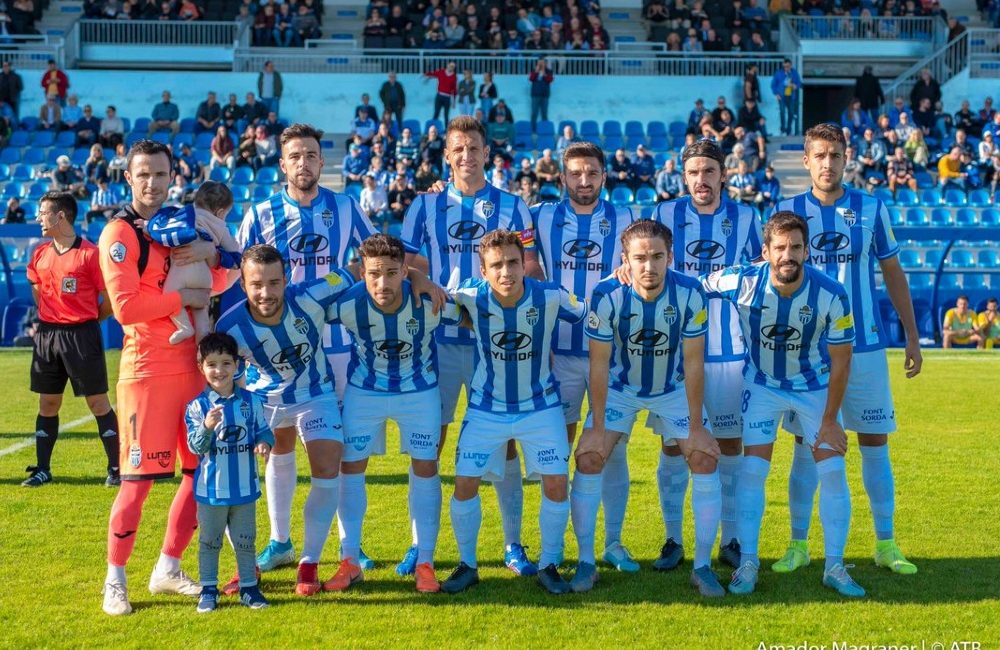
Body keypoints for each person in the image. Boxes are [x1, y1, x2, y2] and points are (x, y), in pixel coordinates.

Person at [236, 123, 396, 580]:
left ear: (321, 163)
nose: (303, 163)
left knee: (342, 450)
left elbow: (378, 255)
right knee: (279, 444)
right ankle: (281, 541)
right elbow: (239, 279)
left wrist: (416, 277)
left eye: (311, 155)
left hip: (343, 346)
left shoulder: (345, 207)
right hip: (276, 350)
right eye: (295, 156)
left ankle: (351, 547)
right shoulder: (261, 213)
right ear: (281, 163)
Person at [770, 123, 922, 578]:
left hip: (867, 346)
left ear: (847, 157)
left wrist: (912, 336)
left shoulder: (871, 207)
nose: (828, 164)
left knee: (875, 443)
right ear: (807, 160)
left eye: (835, 155)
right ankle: (798, 544)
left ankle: (886, 543)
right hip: (809, 350)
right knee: (805, 444)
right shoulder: (788, 211)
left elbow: (893, 272)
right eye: (820, 155)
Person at [401, 115, 543, 577]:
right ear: (447, 155)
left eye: (473, 148)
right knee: (431, 443)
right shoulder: (424, 206)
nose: (466, 156)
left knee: (504, 444)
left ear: (487, 153)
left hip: (493, 343)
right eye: (457, 148)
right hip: (436, 343)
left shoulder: (512, 205)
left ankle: (513, 544)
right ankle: (420, 545)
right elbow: (404, 265)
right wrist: (427, 281)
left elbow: (533, 268)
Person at [704, 210, 862, 598]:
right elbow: (691, 285)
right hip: (762, 385)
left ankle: (835, 566)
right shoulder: (742, 280)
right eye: (780, 248)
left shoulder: (831, 293)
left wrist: (829, 421)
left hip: (814, 387)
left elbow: (842, 360)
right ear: (765, 252)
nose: (787, 255)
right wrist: (626, 272)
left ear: (807, 251)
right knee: (753, 471)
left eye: (795, 247)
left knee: (834, 472)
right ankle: (748, 562)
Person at [100, 140, 228, 616]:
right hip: (146, 373)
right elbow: (126, 307)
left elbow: (214, 283)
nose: (152, 183)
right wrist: (186, 300)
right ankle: (115, 578)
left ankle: (167, 568)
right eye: (143, 175)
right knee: (137, 483)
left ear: (171, 177)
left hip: (192, 370)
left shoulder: (178, 225)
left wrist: (212, 261)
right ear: (128, 178)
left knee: (200, 475)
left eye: (160, 174)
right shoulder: (120, 232)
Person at [573, 219, 721, 595]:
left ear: (671, 257)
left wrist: (697, 428)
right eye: (639, 258)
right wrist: (597, 425)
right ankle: (587, 562)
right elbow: (599, 363)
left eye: (657, 256)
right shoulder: (606, 294)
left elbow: (693, 362)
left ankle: (702, 567)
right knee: (590, 457)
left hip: (672, 387)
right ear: (625, 259)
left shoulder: (690, 293)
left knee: (703, 457)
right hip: (621, 387)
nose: (649, 266)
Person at [441, 229, 586, 595]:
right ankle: (468, 565)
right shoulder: (470, 296)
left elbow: (587, 311)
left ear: (524, 265)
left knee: (555, 482)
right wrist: (415, 276)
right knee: (464, 484)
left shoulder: (551, 295)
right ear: (483, 270)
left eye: (512, 263)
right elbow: (432, 300)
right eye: (496, 265)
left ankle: (550, 563)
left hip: (540, 407)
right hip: (486, 408)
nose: (505, 272)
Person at [647, 138, 762, 572]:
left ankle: (730, 538)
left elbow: (759, 273)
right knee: (675, 445)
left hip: (732, 353)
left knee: (730, 445)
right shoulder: (663, 216)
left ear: (723, 175)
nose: (701, 180)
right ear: (683, 176)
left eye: (709, 171)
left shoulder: (748, 217)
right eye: (693, 172)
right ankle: (673, 538)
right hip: (675, 353)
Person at [330, 234, 461, 594]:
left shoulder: (428, 302)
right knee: (351, 468)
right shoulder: (346, 304)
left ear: (405, 270)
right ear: (362, 272)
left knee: (425, 467)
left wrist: (427, 282)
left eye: (391, 273)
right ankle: (350, 560)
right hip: (364, 393)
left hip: (418, 394)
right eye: (373, 274)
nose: (382, 282)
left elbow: (471, 316)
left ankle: (425, 561)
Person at [531, 143, 638, 570]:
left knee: (611, 451)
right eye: (575, 174)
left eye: (591, 173)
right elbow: (515, 255)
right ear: (562, 178)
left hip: (611, 355)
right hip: (555, 354)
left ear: (604, 176)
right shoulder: (538, 215)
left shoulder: (629, 219)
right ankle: (555, 548)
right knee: (557, 451)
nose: (584, 181)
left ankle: (611, 543)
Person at [23, 191, 118, 488]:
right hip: (48, 335)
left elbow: (110, 301)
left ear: (60, 215)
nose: (39, 218)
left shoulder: (90, 254)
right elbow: (37, 290)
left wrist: (86, 319)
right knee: (48, 403)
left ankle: (115, 469)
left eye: (43, 212)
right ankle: (43, 469)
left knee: (98, 403)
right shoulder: (39, 253)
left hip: (82, 335)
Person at [185, 333, 273, 613]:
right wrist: (207, 427)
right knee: (210, 542)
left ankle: (249, 588)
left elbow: (264, 431)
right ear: (202, 367)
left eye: (226, 363)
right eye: (212, 364)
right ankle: (209, 590)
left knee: (246, 541)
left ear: (237, 365)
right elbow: (195, 446)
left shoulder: (251, 401)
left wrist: (263, 443)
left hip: (245, 488)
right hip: (211, 491)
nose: (219, 370)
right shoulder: (197, 407)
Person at [145, 184, 241, 344]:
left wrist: (146, 226)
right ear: (221, 212)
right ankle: (202, 343)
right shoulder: (221, 227)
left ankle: (184, 327)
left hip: (182, 271)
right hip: (204, 277)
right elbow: (236, 255)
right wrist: (223, 256)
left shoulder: (182, 215)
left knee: (170, 296)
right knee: (201, 309)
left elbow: (161, 229)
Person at [770, 58, 801, 136]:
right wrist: (776, 94)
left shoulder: (794, 73)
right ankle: (782, 129)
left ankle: (789, 130)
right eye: (785, 66)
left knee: (791, 113)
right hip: (782, 96)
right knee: (782, 112)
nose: (786, 68)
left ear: (790, 65)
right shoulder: (779, 73)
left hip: (791, 96)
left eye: (788, 66)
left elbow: (799, 83)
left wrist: (795, 86)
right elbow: (773, 85)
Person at [528, 57, 554, 131]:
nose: (541, 64)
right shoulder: (534, 70)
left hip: (545, 95)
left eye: (543, 63)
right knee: (534, 114)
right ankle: (533, 130)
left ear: (545, 63)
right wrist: (536, 71)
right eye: (540, 63)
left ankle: (544, 130)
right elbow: (531, 79)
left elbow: (550, 80)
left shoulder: (549, 71)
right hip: (535, 95)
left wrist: (544, 73)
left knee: (544, 114)